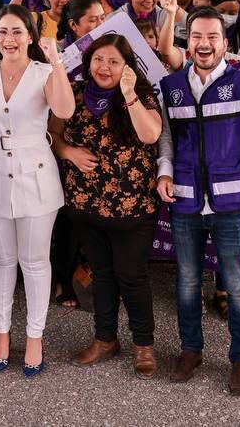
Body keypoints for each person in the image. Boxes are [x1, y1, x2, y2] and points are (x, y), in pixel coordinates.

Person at [156, 9, 240, 396]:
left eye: (212, 37)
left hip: (231, 202)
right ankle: (190, 351)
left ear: (224, 43)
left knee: (238, 286)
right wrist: (164, 172)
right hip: (184, 200)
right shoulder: (171, 86)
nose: (204, 44)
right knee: (187, 283)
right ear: (187, 41)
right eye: (197, 36)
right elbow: (166, 138)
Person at [0, 5, 75, 377]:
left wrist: (55, 56)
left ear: (30, 36)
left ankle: (36, 336)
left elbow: (64, 108)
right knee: (2, 259)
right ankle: (2, 333)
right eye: (3, 32)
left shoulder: (44, 72)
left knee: (36, 261)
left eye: (17, 32)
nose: (9, 39)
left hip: (36, 176)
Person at [49, 34, 163, 376]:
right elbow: (53, 135)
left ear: (127, 65)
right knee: (101, 273)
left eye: (114, 61)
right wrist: (69, 152)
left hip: (133, 206)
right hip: (86, 201)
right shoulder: (75, 93)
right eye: (99, 59)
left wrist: (128, 94)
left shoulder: (140, 94)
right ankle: (105, 338)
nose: (105, 67)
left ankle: (144, 346)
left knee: (132, 275)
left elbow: (151, 135)